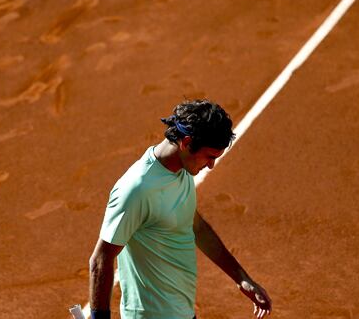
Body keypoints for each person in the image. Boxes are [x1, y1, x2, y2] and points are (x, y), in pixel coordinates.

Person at [89, 99, 272, 319]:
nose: (211, 165)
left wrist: (242, 278)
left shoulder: (182, 171)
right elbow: (100, 259)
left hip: (181, 311)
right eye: (210, 156)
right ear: (186, 142)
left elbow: (197, 227)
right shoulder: (137, 189)